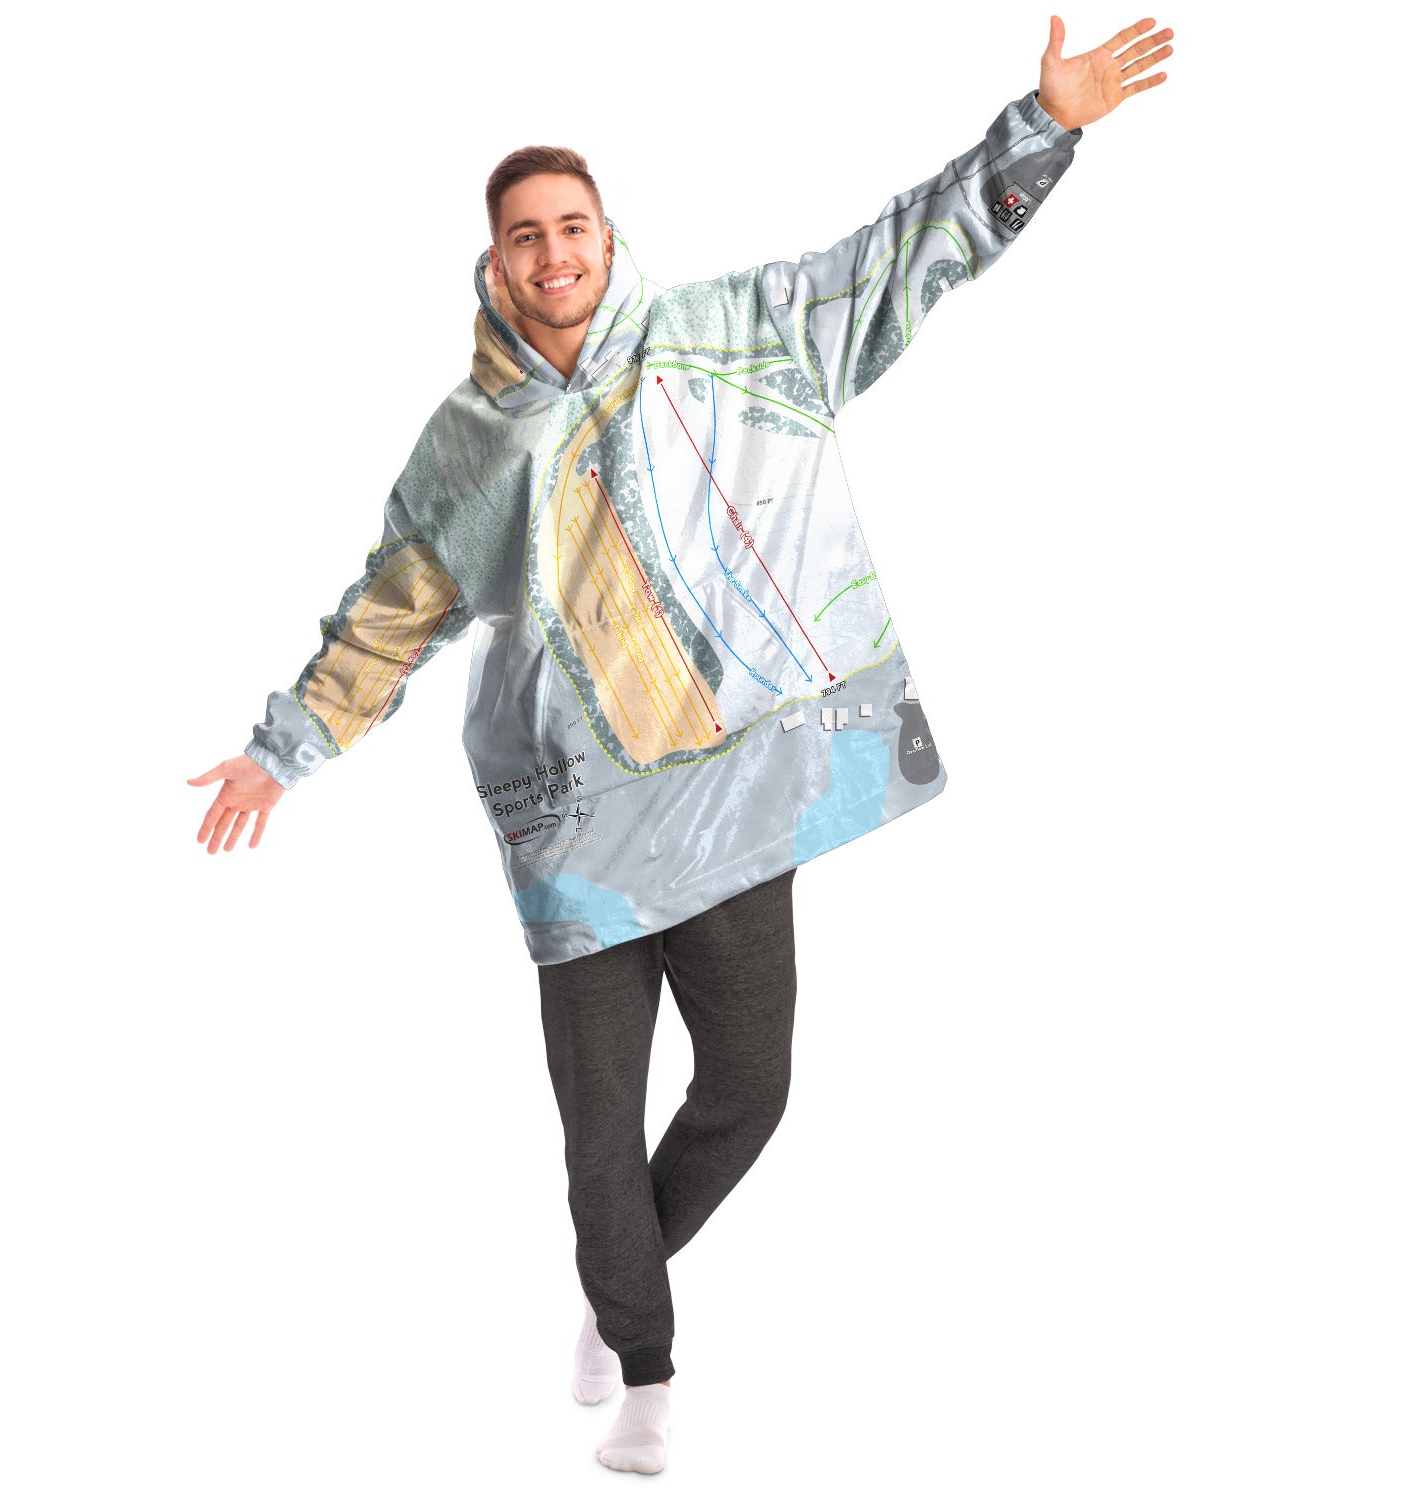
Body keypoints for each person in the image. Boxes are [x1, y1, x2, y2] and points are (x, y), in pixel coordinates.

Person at [189, 14, 1173, 1474]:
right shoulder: (466, 444)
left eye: (572, 225)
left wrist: (1044, 128)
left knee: (751, 1088)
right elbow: (390, 612)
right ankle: (644, 1363)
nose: (553, 253)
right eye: (525, 235)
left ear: (607, 234)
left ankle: (613, 1285)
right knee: (597, 1129)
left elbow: (896, 258)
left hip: (730, 804)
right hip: (575, 833)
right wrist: (282, 750)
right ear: (493, 262)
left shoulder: (731, 335)